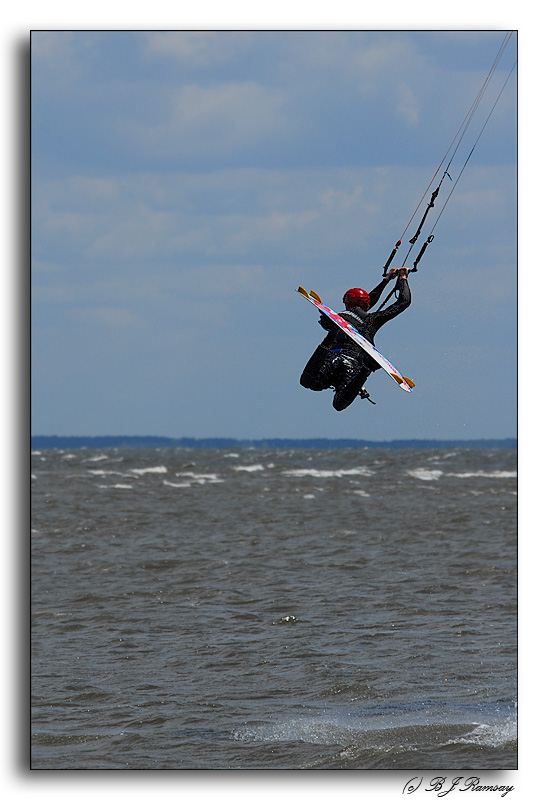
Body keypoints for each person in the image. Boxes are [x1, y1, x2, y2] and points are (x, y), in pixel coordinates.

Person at [300, 267, 411, 411]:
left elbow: (364, 303)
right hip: (353, 365)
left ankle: (331, 335)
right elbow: (404, 302)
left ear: (346, 302)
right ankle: (367, 369)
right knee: (339, 404)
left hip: (330, 359)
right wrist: (402, 278)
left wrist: (386, 281)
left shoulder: (339, 316)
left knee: (306, 382)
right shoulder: (371, 320)